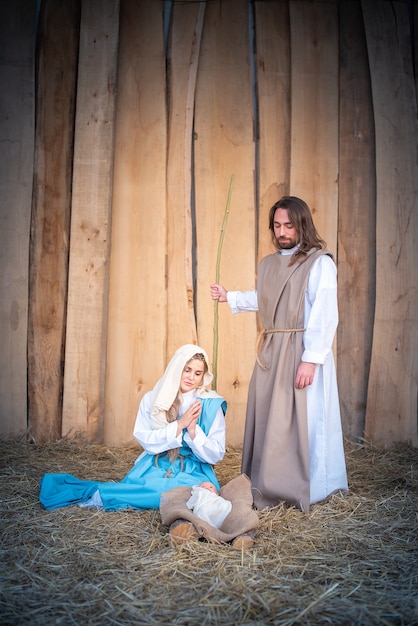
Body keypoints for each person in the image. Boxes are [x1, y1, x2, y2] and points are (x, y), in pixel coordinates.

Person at [210, 196, 348, 513]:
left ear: (302, 225)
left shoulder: (319, 263)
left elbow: (325, 314)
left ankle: (315, 486)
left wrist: (311, 360)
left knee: (306, 419)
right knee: (272, 420)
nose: (282, 231)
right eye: (277, 225)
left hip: (303, 351)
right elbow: (267, 298)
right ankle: (272, 482)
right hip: (274, 351)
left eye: (288, 224)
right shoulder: (270, 263)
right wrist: (229, 296)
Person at [39, 344, 227, 513]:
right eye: (187, 370)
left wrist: (194, 432)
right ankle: (101, 495)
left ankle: (117, 496)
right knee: (160, 492)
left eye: (197, 373)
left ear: (204, 375)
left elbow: (216, 454)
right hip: (156, 462)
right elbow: (147, 441)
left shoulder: (211, 405)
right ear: (177, 368)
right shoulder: (153, 398)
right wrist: (179, 425)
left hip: (193, 469)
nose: (191, 377)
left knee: (187, 493)